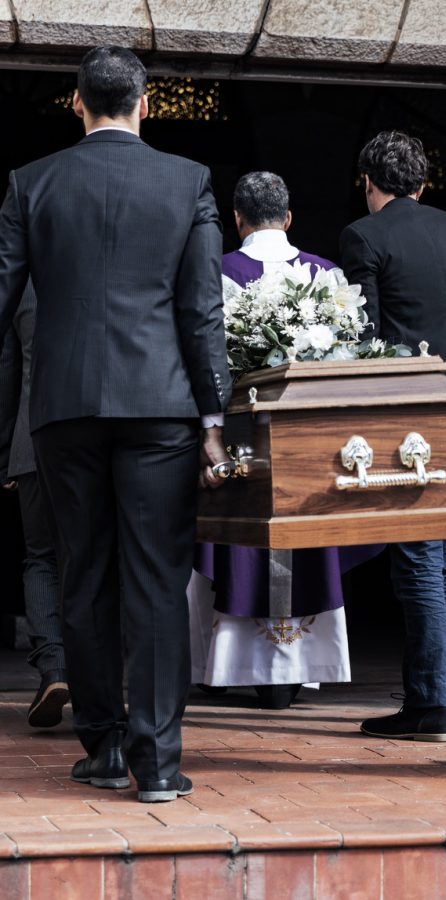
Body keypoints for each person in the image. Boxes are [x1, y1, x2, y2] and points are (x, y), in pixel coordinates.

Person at [0, 46, 232, 803]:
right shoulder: (187, 181)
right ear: (147, 103)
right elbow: (201, 313)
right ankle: (157, 763)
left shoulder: (30, 183)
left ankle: (101, 746)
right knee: (158, 581)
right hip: (161, 405)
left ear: (77, 103)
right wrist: (213, 415)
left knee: (83, 570)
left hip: (63, 406)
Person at [189, 171, 380, 709]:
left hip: (238, 440)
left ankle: (224, 668)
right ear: (289, 217)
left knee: (237, 541)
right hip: (307, 447)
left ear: (237, 218)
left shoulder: (216, 272)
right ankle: (296, 670)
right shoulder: (325, 276)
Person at [340, 131, 446, 742]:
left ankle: (429, 705)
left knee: (421, 563)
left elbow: (365, 340)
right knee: (441, 561)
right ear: (422, 183)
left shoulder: (364, 236)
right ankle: (430, 692)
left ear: (370, 182)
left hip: (408, 417)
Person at [0, 281, 68, 728]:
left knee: (40, 557)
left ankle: (53, 669)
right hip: (95, 438)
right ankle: (100, 673)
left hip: (31, 438)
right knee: (98, 555)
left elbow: (8, 369)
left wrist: (6, 449)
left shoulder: (24, 287)